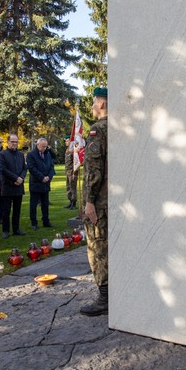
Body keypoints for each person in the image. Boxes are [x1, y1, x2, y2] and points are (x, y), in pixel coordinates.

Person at [80, 87, 109, 316]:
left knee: (97, 247)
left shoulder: (98, 130)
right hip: (114, 200)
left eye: (93, 103)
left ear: (101, 104)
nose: (92, 107)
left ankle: (105, 297)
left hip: (99, 202)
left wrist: (89, 201)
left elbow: (94, 170)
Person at [0, 133, 28, 239]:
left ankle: (16, 229)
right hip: (7, 185)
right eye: (12, 142)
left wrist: (21, 178)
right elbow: (3, 169)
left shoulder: (20, 154)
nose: (14, 143)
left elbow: (24, 168)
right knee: (6, 210)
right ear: (8, 142)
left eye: (16, 142)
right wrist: (15, 179)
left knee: (17, 209)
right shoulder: (2, 154)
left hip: (19, 186)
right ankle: (5, 230)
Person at [26, 137, 55, 231]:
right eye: (43, 146)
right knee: (33, 205)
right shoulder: (31, 154)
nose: (44, 148)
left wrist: (49, 177)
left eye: (46, 146)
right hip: (36, 183)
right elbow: (32, 168)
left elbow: (51, 166)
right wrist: (42, 177)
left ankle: (46, 221)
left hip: (46, 183)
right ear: (37, 145)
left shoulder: (47, 154)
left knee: (45, 204)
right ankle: (34, 223)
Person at [64, 135, 78, 210]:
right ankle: (70, 201)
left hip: (72, 172)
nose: (65, 142)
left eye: (67, 141)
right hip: (67, 171)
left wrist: (74, 173)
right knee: (68, 187)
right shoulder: (67, 150)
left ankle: (74, 202)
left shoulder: (73, 151)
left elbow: (75, 163)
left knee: (73, 187)